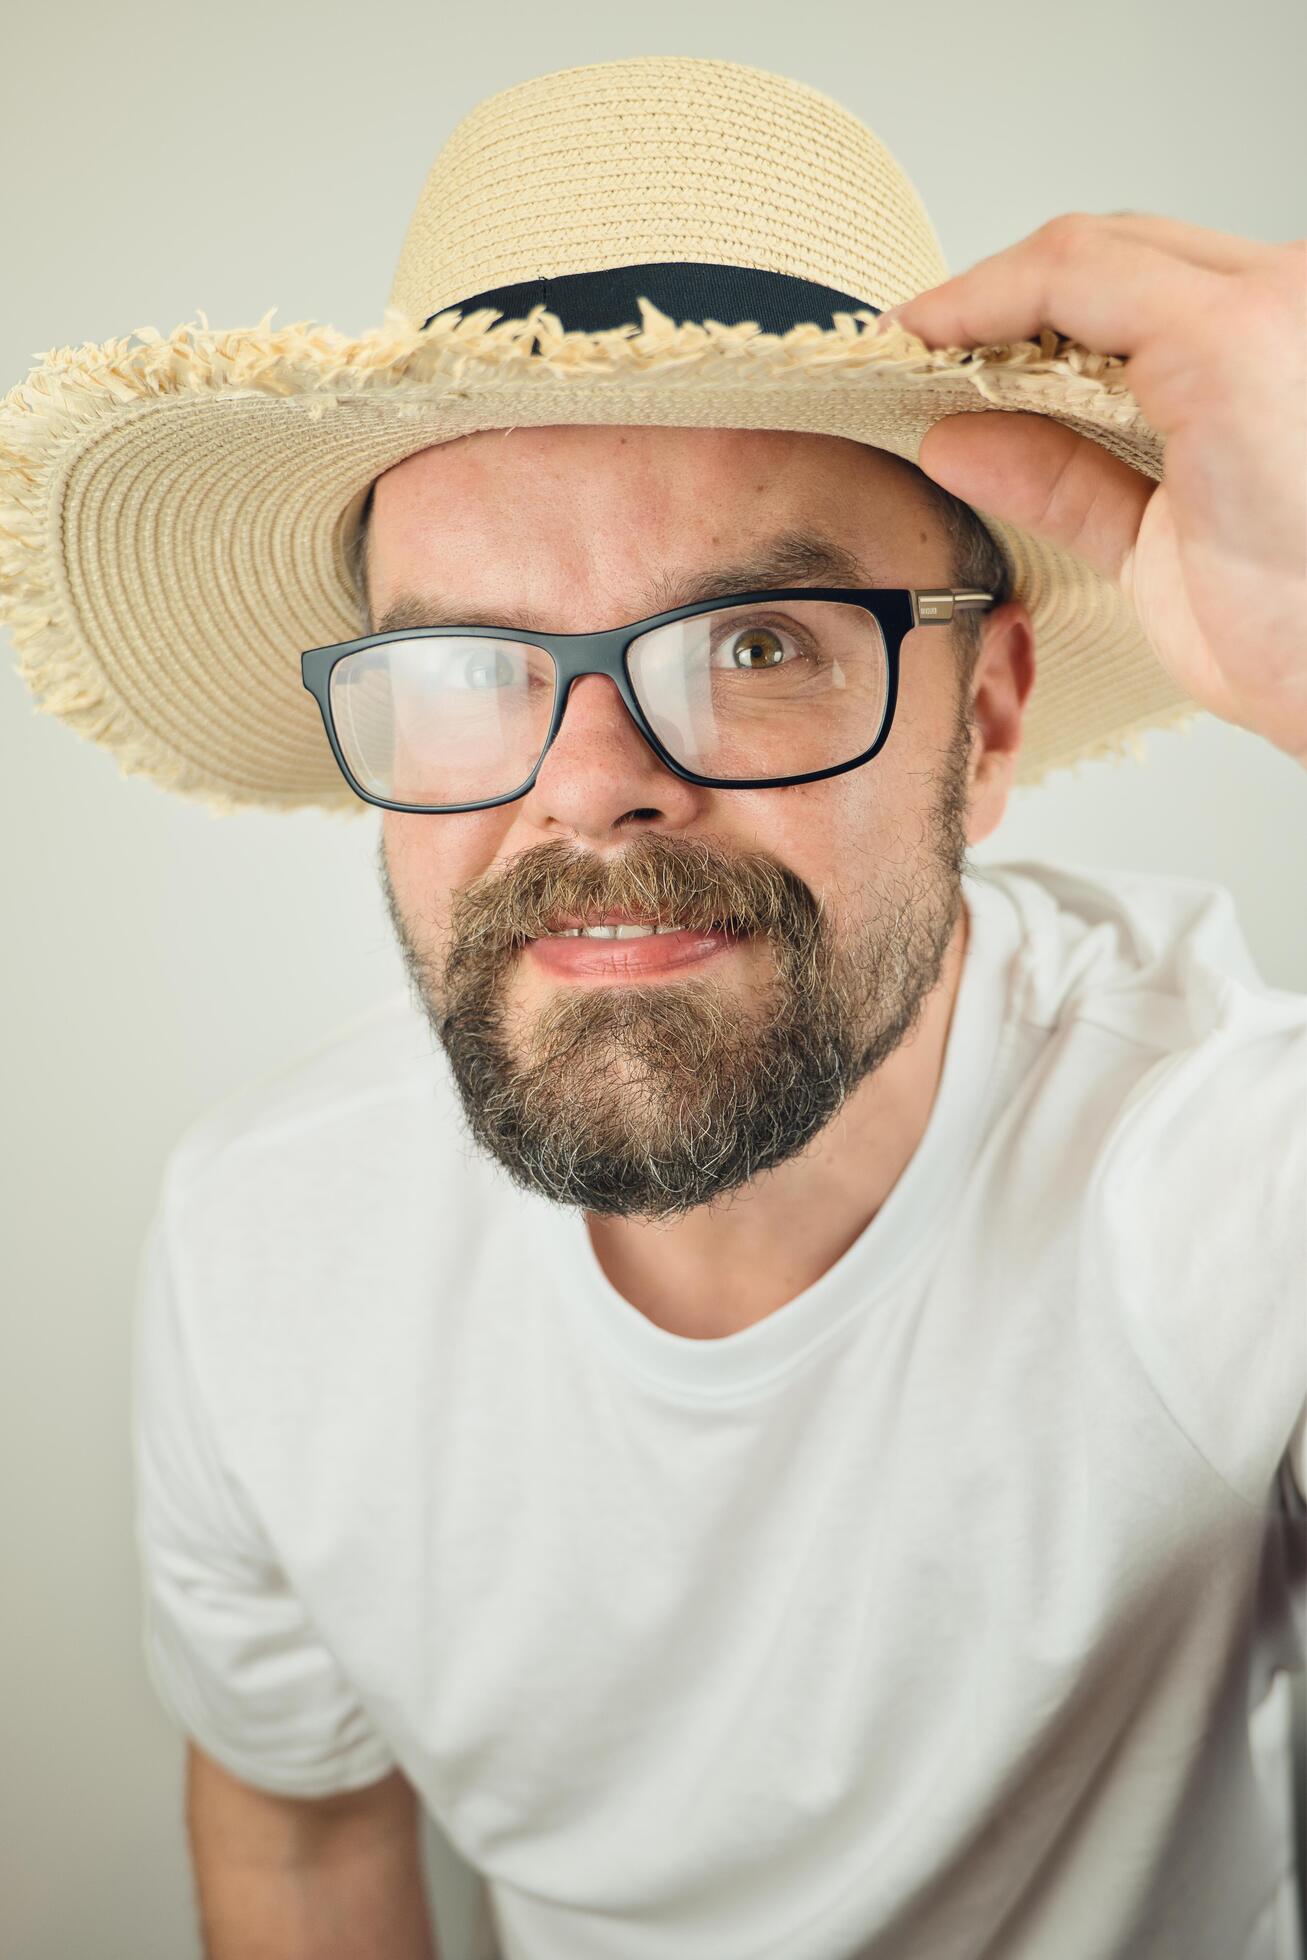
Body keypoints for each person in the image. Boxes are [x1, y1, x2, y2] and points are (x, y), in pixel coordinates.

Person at [2, 54, 1303, 1960]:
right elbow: (299, 1838)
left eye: (757, 644)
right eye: (468, 662)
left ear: (990, 716)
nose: (590, 782)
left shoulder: (1228, 1182)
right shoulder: (259, 1241)